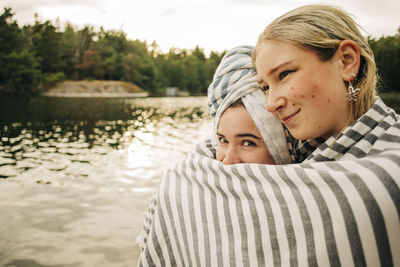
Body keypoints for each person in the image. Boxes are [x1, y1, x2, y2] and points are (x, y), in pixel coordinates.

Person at [137, 6, 400, 266]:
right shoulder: (299, 147)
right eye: (264, 86)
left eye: (284, 74)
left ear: (346, 60)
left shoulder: (386, 174)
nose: (271, 103)